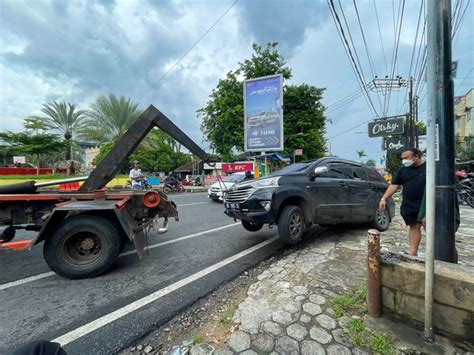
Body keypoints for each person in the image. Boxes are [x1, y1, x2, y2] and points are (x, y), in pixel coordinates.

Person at [379, 148, 426, 256]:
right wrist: (384, 198)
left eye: (406, 158)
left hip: (426, 205)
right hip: (409, 205)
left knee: (431, 227)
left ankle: (441, 254)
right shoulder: (402, 170)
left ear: (416, 156)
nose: (404, 161)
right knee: (414, 227)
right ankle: (413, 252)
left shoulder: (429, 168)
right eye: (402, 158)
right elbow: (394, 185)